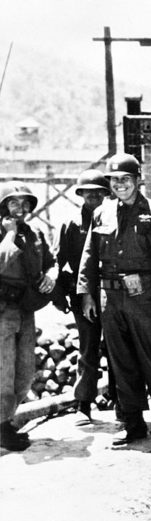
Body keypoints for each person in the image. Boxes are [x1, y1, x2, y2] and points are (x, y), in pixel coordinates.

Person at [77, 153, 151, 446]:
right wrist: (88, 294)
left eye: (125, 179)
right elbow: (89, 255)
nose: (120, 185)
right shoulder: (102, 212)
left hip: (144, 296)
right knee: (121, 362)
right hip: (109, 297)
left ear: (137, 180)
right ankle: (134, 423)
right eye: (114, 180)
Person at [0, 182, 56, 451]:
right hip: (2, 311)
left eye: (25, 204)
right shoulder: (4, 233)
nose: (20, 209)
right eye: (14, 203)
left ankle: (7, 421)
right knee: (3, 372)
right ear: (3, 206)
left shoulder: (35, 233)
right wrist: (9, 235)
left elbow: (51, 262)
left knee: (24, 372)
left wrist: (51, 276)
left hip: (26, 309)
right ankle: (3, 428)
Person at [55, 169, 113, 425]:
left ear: (105, 194)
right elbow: (59, 261)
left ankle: (118, 399)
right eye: (87, 192)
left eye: (98, 192)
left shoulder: (113, 219)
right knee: (88, 349)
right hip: (82, 294)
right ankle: (84, 404)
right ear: (80, 194)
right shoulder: (71, 223)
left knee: (117, 349)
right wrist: (60, 296)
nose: (93, 196)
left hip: (112, 292)